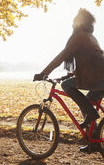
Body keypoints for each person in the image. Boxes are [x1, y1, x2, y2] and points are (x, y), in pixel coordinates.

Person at [34, 8, 104, 153]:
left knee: (67, 86)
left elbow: (61, 56)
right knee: (88, 101)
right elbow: (87, 63)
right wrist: (69, 75)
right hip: (99, 77)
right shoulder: (90, 36)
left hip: (98, 78)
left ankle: (91, 115)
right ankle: (95, 142)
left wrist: (43, 73)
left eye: (75, 21)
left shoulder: (79, 37)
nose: (73, 24)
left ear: (79, 23)